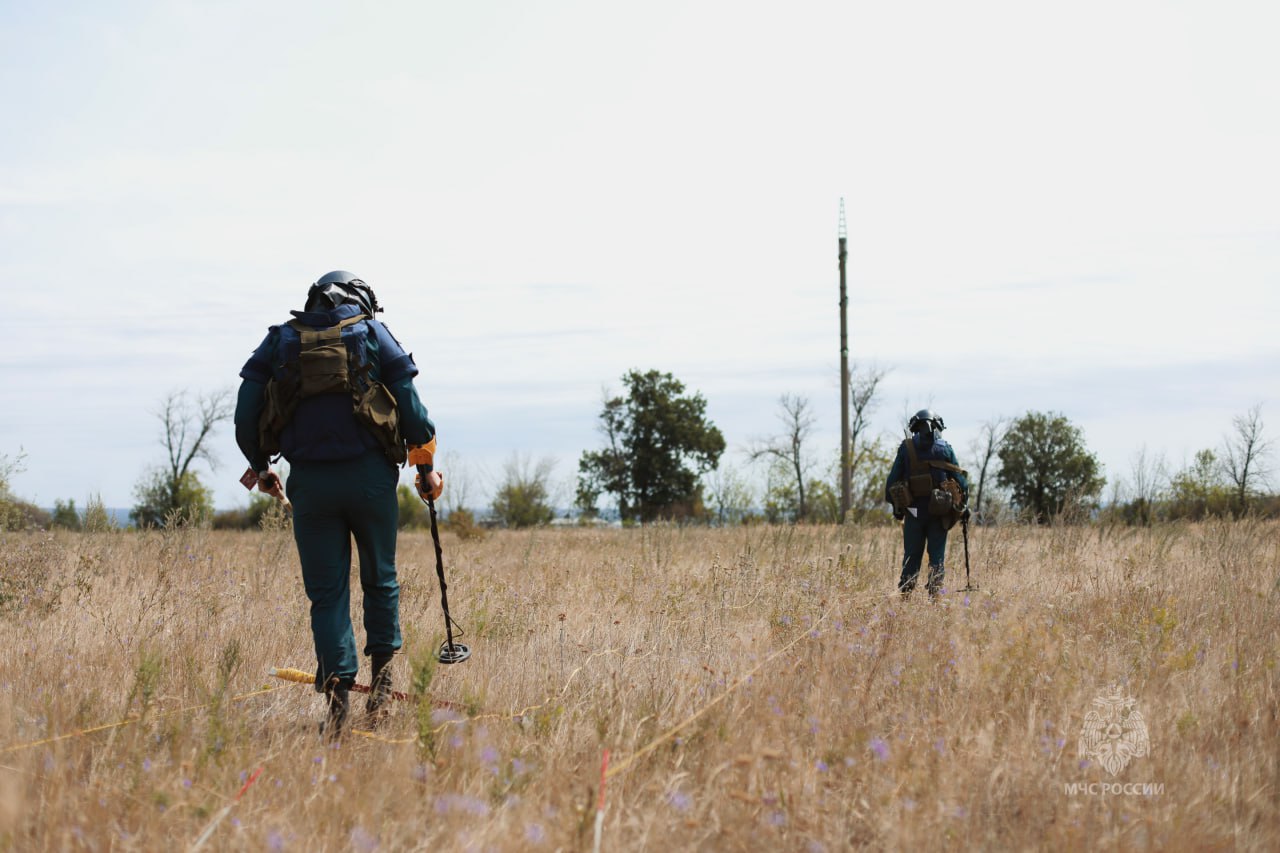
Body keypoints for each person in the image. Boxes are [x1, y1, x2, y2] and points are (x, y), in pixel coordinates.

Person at [234, 271, 443, 736]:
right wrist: (425, 466)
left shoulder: (281, 339)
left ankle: (337, 711)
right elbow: (409, 399)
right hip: (371, 480)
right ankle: (382, 696)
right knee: (380, 581)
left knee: (326, 595)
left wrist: (261, 465)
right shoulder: (371, 331)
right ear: (360, 299)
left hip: (310, 483)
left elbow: (245, 412)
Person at [884, 410, 968, 599]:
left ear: (914, 427)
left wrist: (897, 508)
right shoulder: (946, 448)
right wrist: (964, 507)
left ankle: (905, 597)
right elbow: (962, 482)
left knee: (911, 557)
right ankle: (935, 597)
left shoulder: (906, 449)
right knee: (936, 558)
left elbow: (891, 483)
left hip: (913, 513)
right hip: (940, 514)